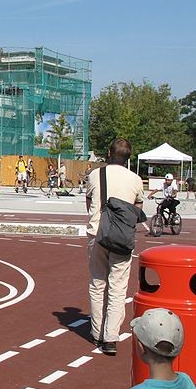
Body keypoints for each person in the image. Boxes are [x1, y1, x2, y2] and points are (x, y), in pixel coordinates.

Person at [85, 139, 144, 355]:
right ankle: (111, 337)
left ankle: (96, 332)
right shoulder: (136, 179)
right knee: (118, 287)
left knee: (97, 283)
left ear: (109, 153)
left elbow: (89, 201)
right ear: (129, 157)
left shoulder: (95, 175)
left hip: (97, 233)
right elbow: (138, 208)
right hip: (122, 237)